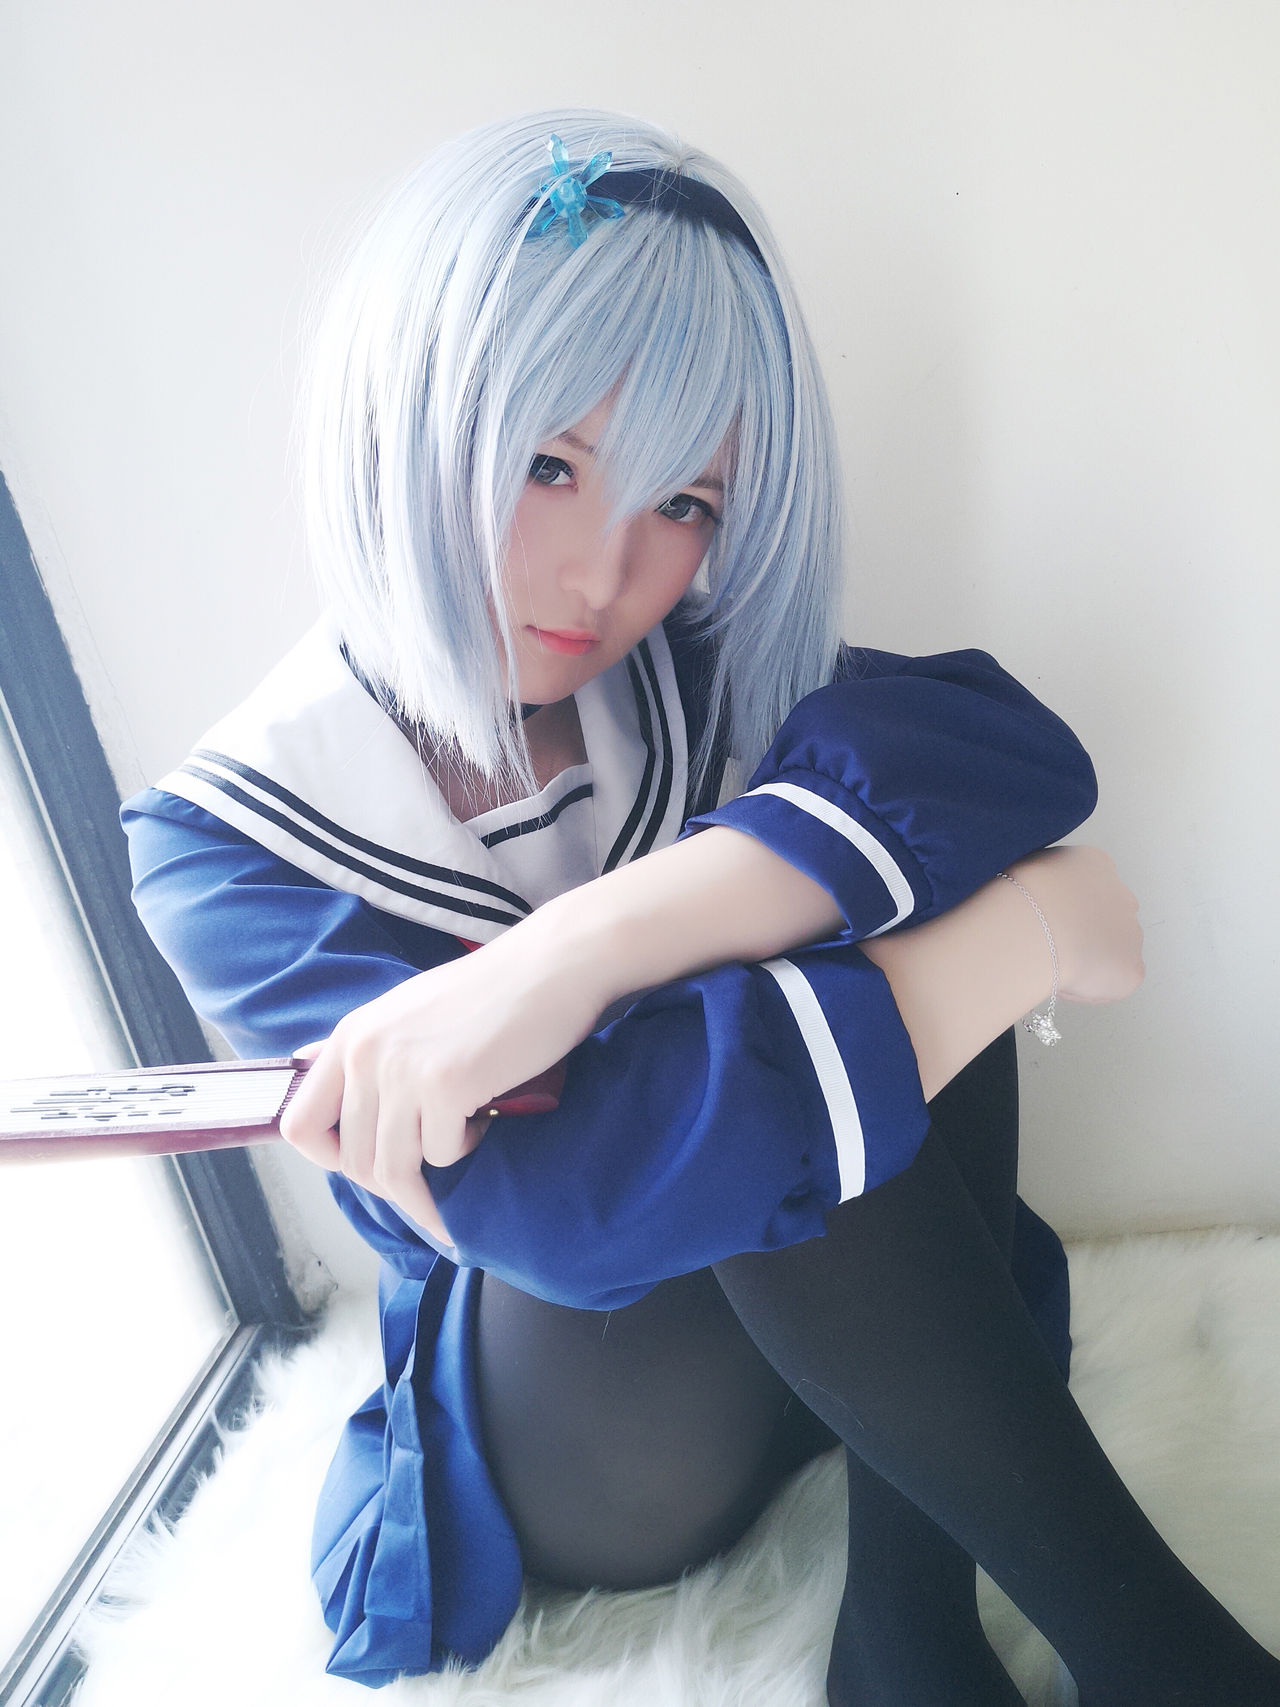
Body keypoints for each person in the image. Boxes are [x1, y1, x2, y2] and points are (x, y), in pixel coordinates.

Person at [120, 111, 1279, 1705]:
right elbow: (576, 1201)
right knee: (769, 1044)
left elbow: (990, 746)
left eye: (684, 504)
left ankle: (912, 1638)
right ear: (407, 420)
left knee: (850, 930)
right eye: (547, 467)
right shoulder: (225, 837)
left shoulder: (682, 675)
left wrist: (578, 950)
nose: (605, 576)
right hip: (592, 1440)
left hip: (840, 1359)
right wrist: (1007, 944)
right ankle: (1173, 1666)